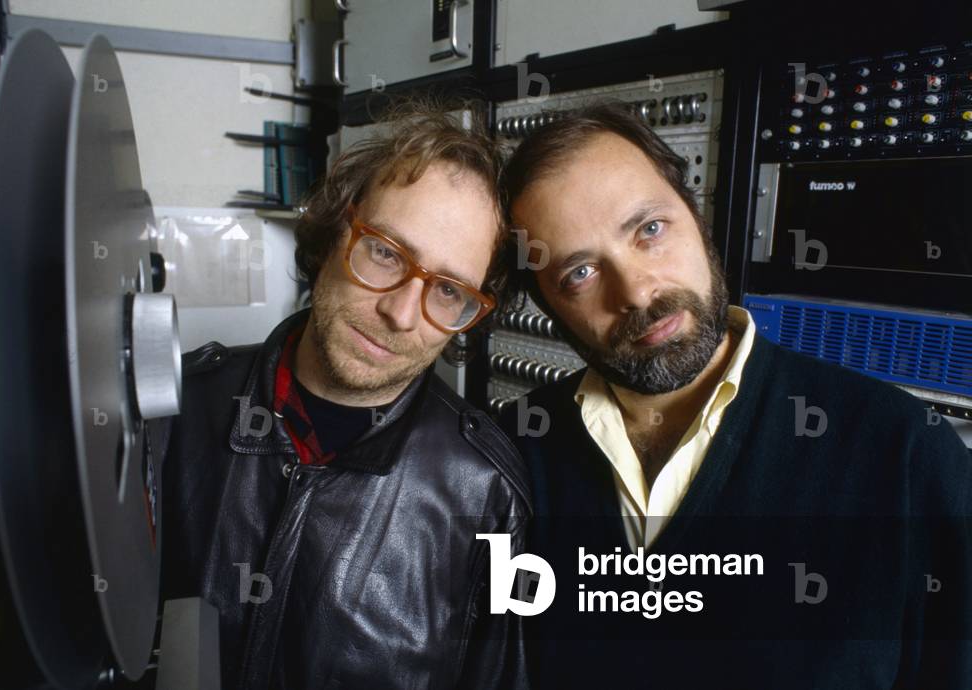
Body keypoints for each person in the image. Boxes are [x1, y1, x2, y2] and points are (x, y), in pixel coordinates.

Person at [500, 102, 972, 689]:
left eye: (650, 230)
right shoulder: (509, 455)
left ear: (697, 216)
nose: (637, 292)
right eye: (580, 273)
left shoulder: (906, 454)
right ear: (547, 305)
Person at [160, 103, 530, 690]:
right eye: (386, 252)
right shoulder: (171, 408)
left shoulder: (488, 493)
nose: (400, 313)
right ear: (336, 229)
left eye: (449, 291)